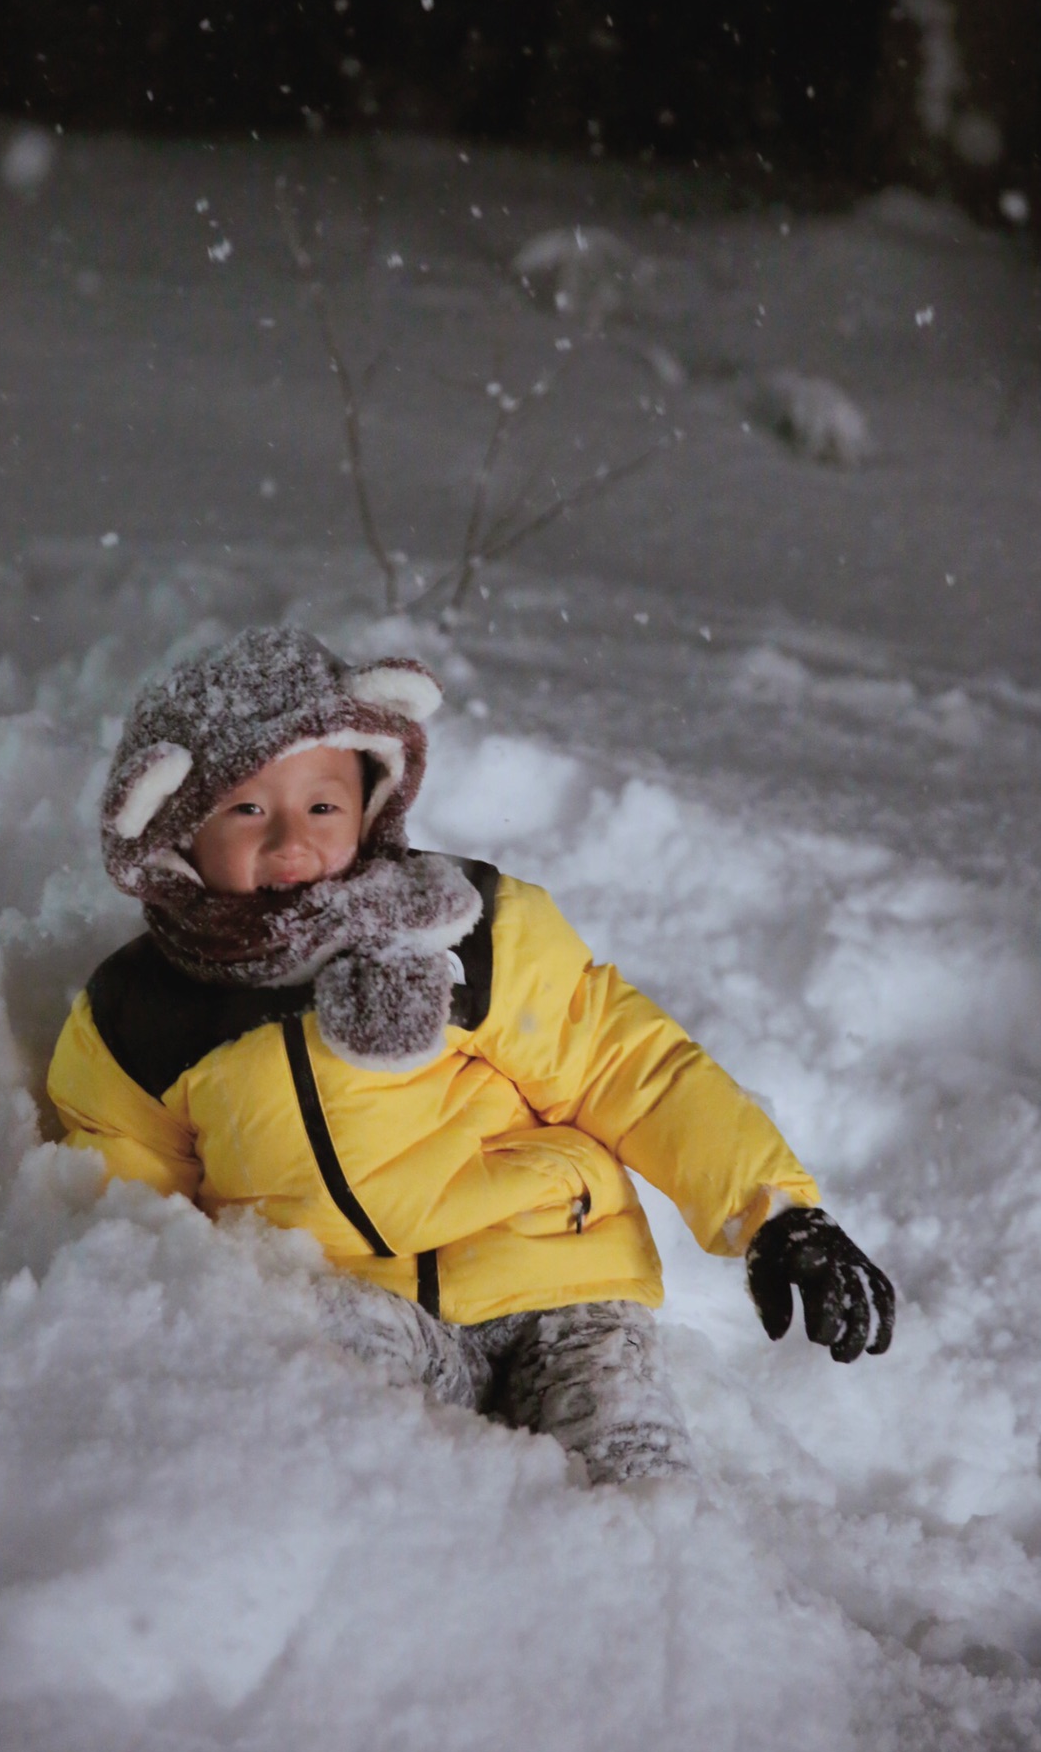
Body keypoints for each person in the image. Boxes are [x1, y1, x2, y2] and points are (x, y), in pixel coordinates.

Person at [48, 627, 894, 1485]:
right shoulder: (143, 1015)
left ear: (371, 806)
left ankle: (659, 1574)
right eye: (248, 810)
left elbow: (629, 1067)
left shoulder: (465, 928)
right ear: (173, 829)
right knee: (321, 1424)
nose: (290, 842)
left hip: (556, 1281)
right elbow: (132, 1199)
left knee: (631, 1478)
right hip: (363, 1305)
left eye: (323, 807)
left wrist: (776, 1213)